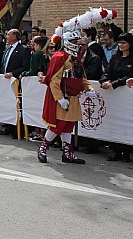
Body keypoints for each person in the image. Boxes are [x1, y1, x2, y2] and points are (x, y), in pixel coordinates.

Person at [37, 27, 93, 165]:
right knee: (58, 125)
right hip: (63, 97)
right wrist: (60, 99)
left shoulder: (75, 58)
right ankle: (43, 147)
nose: (78, 44)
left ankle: (67, 153)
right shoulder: (59, 57)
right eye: (75, 41)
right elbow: (54, 81)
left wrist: (88, 88)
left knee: (69, 125)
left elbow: (81, 76)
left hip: (74, 97)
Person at [99, 32, 133, 162]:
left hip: (127, 96)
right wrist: (104, 81)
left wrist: (113, 83)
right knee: (115, 121)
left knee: (126, 122)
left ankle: (126, 151)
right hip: (115, 98)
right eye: (119, 43)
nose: (121, 45)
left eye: (124, 43)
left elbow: (128, 76)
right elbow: (108, 72)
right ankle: (115, 149)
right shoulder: (115, 57)